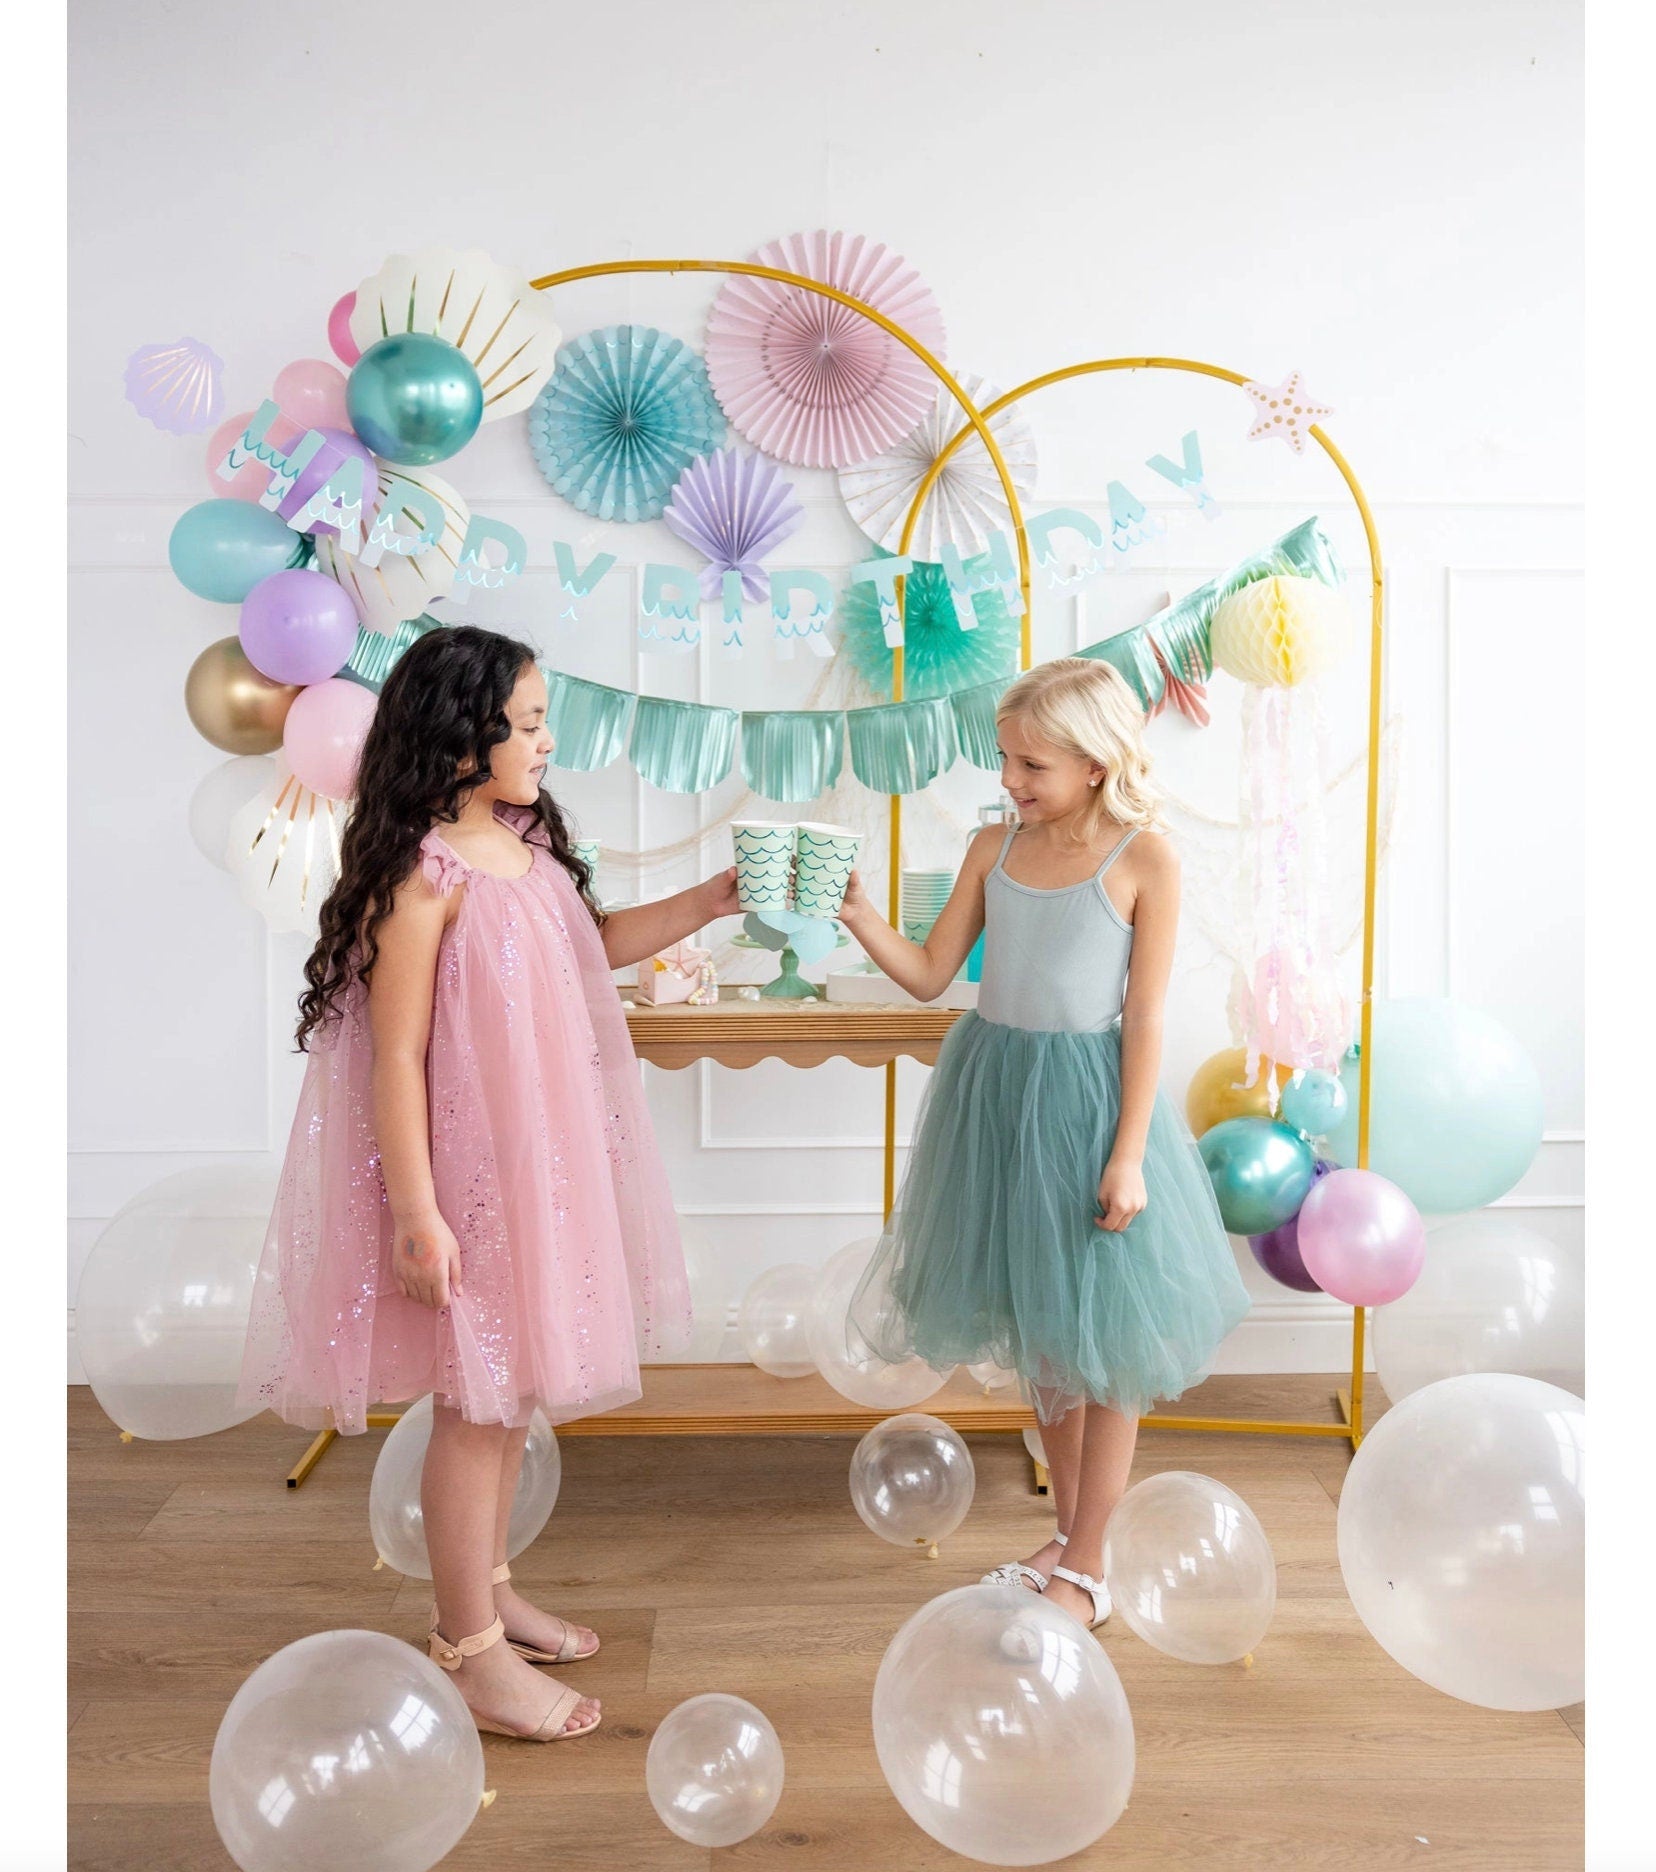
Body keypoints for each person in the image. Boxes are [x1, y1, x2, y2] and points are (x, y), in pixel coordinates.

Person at [239, 624, 739, 1739]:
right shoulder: (423, 876)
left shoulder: (524, 846)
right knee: (477, 1405)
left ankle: (493, 1593)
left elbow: (591, 945)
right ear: (462, 738)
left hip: (538, 1168)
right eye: (529, 724)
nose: (547, 742)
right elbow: (396, 1056)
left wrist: (708, 900)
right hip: (467, 1178)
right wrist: (416, 1213)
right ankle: (466, 1650)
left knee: (510, 1397)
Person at [839, 657, 1250, 1632]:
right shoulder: (994, 847)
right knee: (1049, 1340)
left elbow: (1144, 1016)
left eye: (1032, 765)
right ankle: (1070, 1539)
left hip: (1086, 1109)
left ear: (1097, 763)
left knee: (1104, 1346)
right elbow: (930, 974)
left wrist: (1127, 1154)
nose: (1011, 780)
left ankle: (1092, 1566)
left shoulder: (1145, 860)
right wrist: (856, 914)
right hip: (995, 1098)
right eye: (1006, 759)